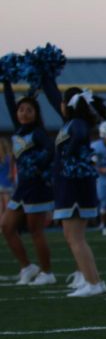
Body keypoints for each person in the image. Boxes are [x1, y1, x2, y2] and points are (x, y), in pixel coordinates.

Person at [46, 85, 106, 296]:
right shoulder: (72, 123)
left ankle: (92, 283)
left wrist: (69, 153)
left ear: (67, 105)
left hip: (73, 185)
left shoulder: (76, 124)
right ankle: (94, 280)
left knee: (75, 237)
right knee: (74, 236)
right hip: (69, 184)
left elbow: (80, 136)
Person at [1, 80, 54, 285]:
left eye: (28, 110)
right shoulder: (18, 130)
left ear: (35, 113)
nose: (23, 113)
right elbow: (8, 102)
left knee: (35, 231)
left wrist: (37, 165)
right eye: (21, 110)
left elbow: (50, 151)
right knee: (6, 227)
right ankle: (27, 266)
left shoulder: (39, 133)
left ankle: (47, 272)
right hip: (22, 187)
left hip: (37, 187)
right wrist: (6, 81)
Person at [0, 137, 13, 215]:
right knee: (7, 207)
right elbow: (11, 173)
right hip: (8, 185)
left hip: (3, 185)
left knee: (2, 207)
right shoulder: (9, 158)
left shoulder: (5, 159)